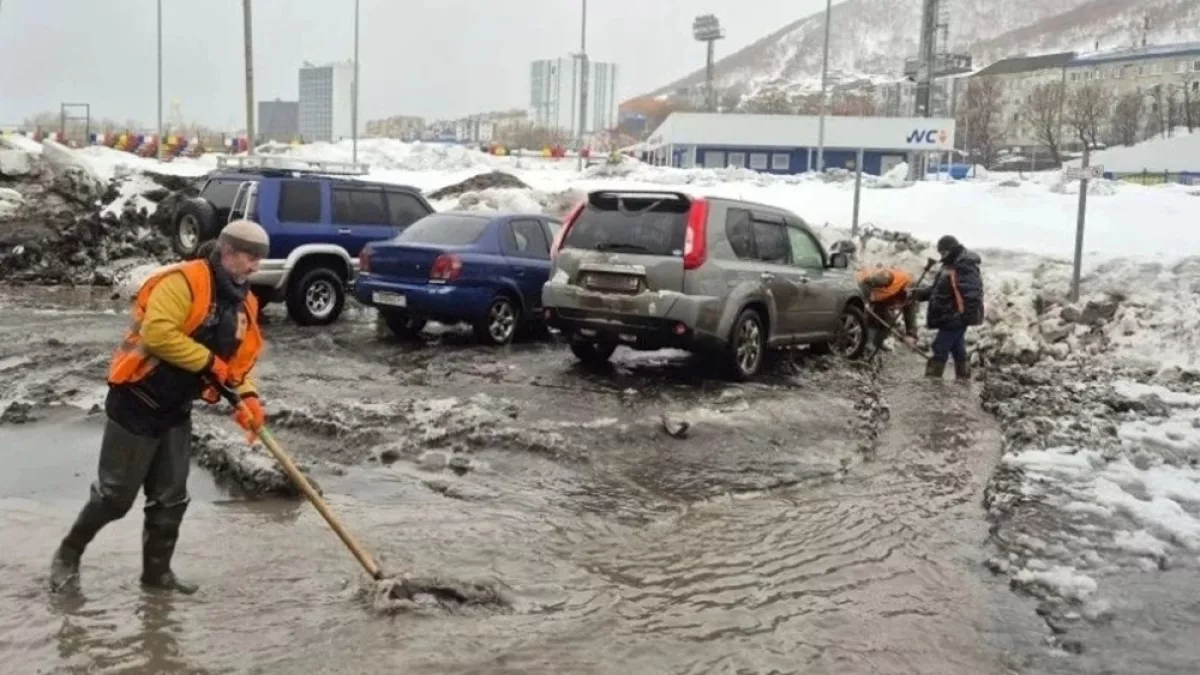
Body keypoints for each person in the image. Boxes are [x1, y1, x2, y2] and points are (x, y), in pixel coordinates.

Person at [49, 220, 271, 594]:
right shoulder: (183, 281)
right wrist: (207, 363)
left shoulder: (244, 303)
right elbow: (158, 333)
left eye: (259, 261)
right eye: (251, 258)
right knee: (115, 497)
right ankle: (67, 555)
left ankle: (157, 576)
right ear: (229, 252)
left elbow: (235, 365)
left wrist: (247, 397)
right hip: (137, 398)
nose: (255, 268)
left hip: (175, 407)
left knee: (170, 499)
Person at [911, 235, 984, 380]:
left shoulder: (964, 264)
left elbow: (973, 292)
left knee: (939, 347)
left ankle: (932, 382)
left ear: (952, 249)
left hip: (957, 315)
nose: (942, 256)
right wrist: (916, 294)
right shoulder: (949, 264)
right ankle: (963, 380)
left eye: (943, 252)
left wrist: (965, 316)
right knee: (958, 348)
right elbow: (937, 290)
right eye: (940, 253)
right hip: (951, 315)